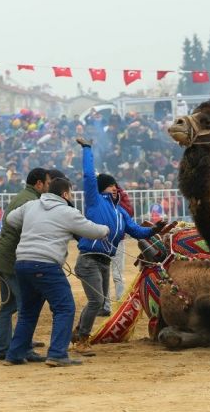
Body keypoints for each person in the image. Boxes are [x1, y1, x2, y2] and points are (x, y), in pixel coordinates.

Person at [72, 137, 166, 356]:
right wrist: (87, 148)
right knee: (96, 301)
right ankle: (82, 339)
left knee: (99, 301)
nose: (116, 188)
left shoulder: (121, 212)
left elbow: (136, 231)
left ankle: (78, 333)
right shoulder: (94, 201)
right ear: (104, 188)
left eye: (116, 185)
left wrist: (155, 229)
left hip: (104, 260)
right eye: (112, 185)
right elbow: (88, 175)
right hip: (89, 259)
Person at [3, 177, 109, 367]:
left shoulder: (31, 205)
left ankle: (15, 354)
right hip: (46, 265)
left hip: (22, 263)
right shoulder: (68, 212)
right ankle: (58, 354)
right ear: (65, 194)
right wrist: (108, 228)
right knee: (65, 307)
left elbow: (10, 219)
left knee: (27, 312)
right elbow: (95, 232)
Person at [0, 167, 51, 362]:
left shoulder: (23, 197)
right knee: (27, 307)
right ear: (39, 184)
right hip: (13, 261)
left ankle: (2, 348)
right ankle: (23, 349)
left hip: (4, 259)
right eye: (47, 183)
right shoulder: (32, 202)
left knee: (8, 308)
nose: (49, 187)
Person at [101, 184, 134, 315]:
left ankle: (118, 305)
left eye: (114, 187)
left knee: (116, 275)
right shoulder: (102, 201)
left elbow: (129, 212)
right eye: (109, 186)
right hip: (104, 241)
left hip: (115, 241)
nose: (113, 190)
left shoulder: (120, 200)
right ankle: (106, 306)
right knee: (105, 275)